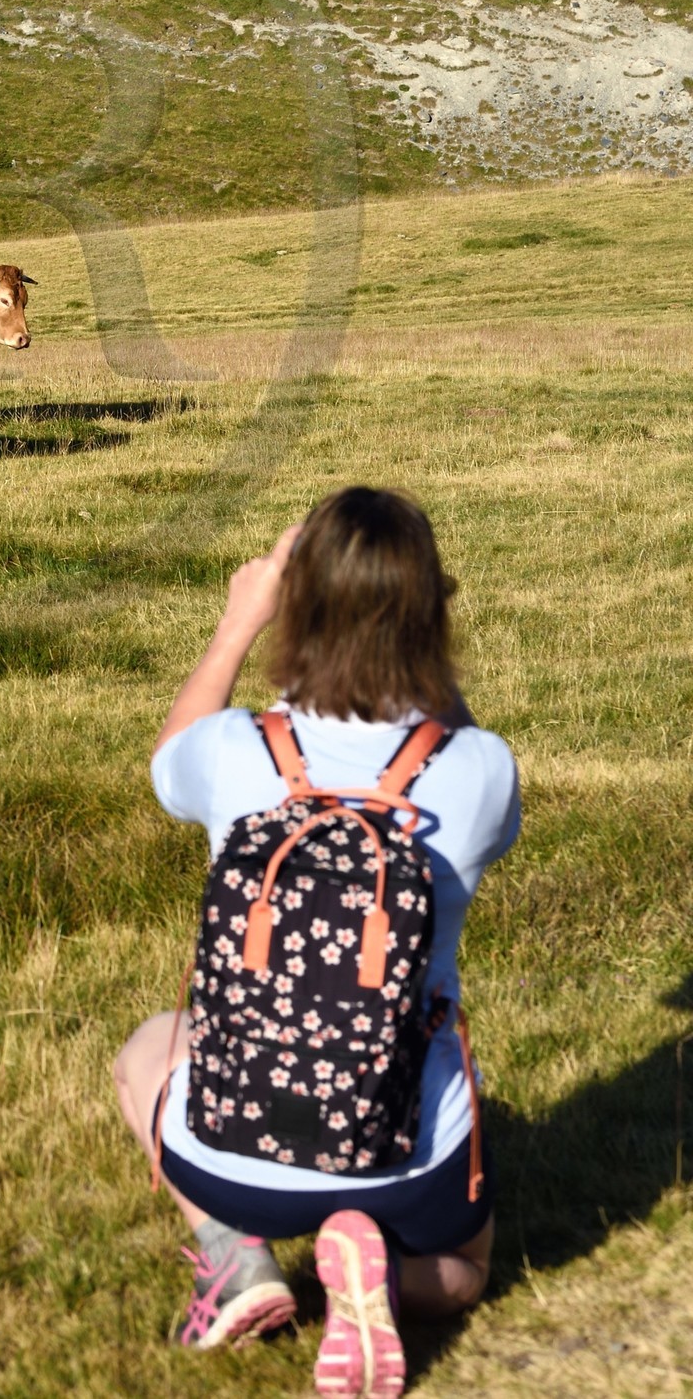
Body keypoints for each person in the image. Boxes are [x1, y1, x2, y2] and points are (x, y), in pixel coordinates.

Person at [113, 487, 520, 1398]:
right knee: (464, 1276)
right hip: (403, 1153)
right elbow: (461, 741)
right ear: (430, 619)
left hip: (226, 1151)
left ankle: (236, 1257)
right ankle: (374, 1264)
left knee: (146, 1046)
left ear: (293, 608)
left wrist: (237, 621)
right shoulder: (479, 771)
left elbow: (164, 758)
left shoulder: (232, 751)